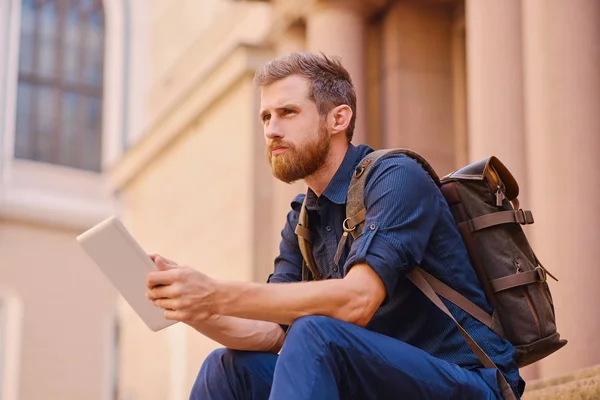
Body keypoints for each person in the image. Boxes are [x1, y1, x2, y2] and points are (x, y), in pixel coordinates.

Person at [145, 52, 524, 400]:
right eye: (266, 116)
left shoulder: (395, 178)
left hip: (469, 384)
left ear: (338, 119)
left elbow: (358, 299)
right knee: (227, 367)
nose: (271, 129)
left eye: (288, 112)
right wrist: (192, 307)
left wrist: (215, 293)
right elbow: (273, 334)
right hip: (375, 383)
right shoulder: (303, 218)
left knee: (315, 333)